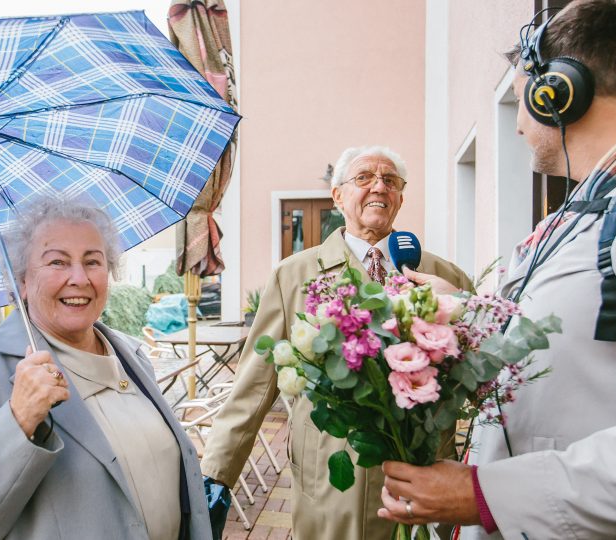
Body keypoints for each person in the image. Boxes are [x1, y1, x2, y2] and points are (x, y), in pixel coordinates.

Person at [377, 1, 616, 537]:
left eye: (522, 95)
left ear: (557, 92)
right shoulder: (608, 198)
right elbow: (578, 337)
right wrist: (462, 314)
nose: (520, 125)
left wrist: (482, 494)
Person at [200, 145, 473, 539]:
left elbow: (469, 373)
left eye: (390, 181)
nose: (379, 187)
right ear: (337, 196)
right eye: (364, 178)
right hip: (330, 474)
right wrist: (215, 476)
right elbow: (254, 385)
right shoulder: (292, 276)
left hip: (422, 474)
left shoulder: (444, 277)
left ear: (400, 197)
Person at [0, 197, 211, 539]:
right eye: (57, 262)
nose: (79, 278)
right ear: (22, 282)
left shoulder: (131, 354)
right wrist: (18, 419)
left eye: (93, 261)